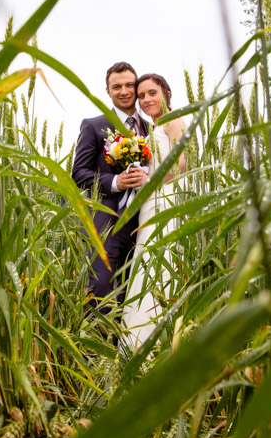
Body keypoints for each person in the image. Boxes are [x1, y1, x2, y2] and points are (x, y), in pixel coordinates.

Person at [71, 62, 151, 319]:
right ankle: (94, 352)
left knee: (134, 287)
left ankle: (123, 350)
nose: (124, 91)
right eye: (117, 87)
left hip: (146, 219)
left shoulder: (152, 128)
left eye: (129, 85)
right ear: (107, 90)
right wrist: (116, 182)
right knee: (101, 283)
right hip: (108, 218)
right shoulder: (93, 126)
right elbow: (79, 174)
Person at [120, 73, 186, 351]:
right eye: (142, 95)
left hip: (166, 201)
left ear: (166, 93)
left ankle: (158, 339)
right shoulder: (149, 130)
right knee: (146, 262)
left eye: (152, 93)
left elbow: (181, 164)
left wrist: (150, 181)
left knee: (163, 261)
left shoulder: (173, 120)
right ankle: (140, 341)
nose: (146, 99)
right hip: (151, 204)